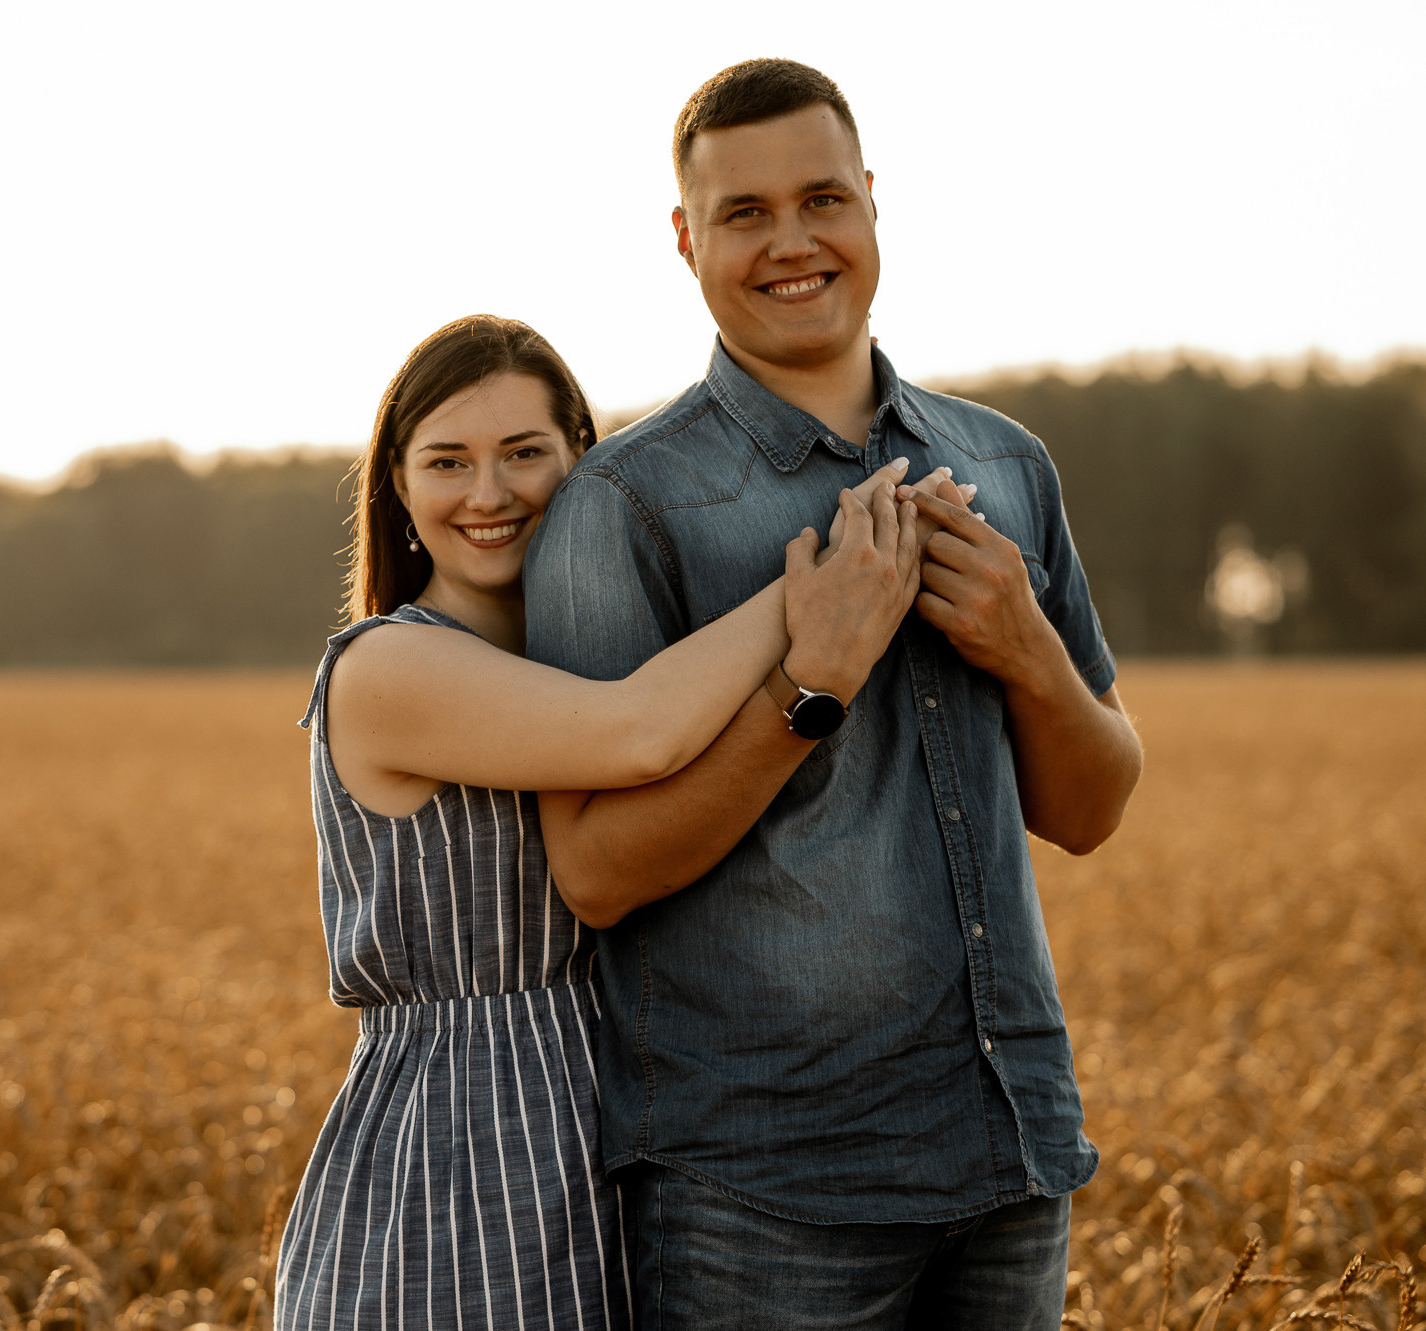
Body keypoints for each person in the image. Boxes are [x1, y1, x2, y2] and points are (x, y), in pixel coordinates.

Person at [522, 59, 1145, 1329]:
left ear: (870, 205)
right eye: (742, 213)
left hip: (1008, 1148)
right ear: (685, 238)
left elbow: (1088, 808)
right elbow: (592, 870)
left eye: (820, 199)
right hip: (759, 1189)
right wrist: (810, 683)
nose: (790, 242)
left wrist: (1023, 643)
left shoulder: (1001, 463)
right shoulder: (620, 507)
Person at [271, 314, 968, 1329]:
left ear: (582, 465)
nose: (487, 492)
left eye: (523, 453)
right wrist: (822, 585)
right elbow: (637, 733)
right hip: (460, 1133)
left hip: (620, 1113)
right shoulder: (383, 668)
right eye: (446, 461)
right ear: (397, 489)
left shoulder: (596, 653)